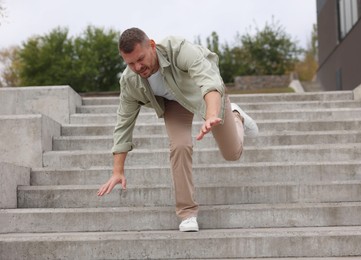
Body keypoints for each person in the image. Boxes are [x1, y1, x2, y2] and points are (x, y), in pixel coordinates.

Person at [97, 27, 258, 232]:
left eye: (140, 59)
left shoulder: (178, 49)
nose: (137, 67)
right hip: (174, 106)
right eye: (130, 63)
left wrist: (211, 115)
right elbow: (123, 123)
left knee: (232, 153)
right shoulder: (129, 81)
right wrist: (117, 171)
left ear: (152, 46)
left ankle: (237, 116)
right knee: (179, 146)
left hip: (203, 94)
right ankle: (187, 213)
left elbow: (209, 81)